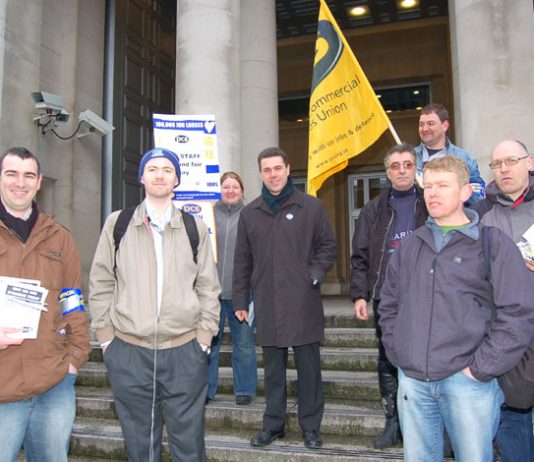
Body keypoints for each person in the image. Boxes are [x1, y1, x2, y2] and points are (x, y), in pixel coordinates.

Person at [379, 156, 534, 461]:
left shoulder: (492, 244)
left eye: (443, 185)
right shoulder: (409, 246)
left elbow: (517, 312)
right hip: (413, 382)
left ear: (465, 192)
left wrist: (480, 369)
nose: (433, 193)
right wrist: (398, 353)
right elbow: (389, 304)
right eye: (429, 186)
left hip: (468, 382)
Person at [89, 148, 220, 462]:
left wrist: (204, 339)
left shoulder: (194, 227)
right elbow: (101, 282)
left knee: (189, 446)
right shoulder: (117, 224)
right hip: (130, 351)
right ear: (142, 177)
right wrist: (107, 338)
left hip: (184, 351)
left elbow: (208, 287)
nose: (159, 174)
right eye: (152, 169)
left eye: (167, 169)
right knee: (140, 446)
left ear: (176, 179)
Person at [233, 147, 336, 450]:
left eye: (278, 168)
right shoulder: (250, 213)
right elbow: (242, 262)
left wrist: (313, 275)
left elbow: (327, 246)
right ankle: (273, 425)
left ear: (288, 169)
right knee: (273, 371)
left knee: (309, 371)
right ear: (261, 174)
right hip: (267, 303)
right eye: (267, 170)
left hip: (303, 301)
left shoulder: (311, 207)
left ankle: (311, 427)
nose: (273, 175)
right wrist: (240, 301)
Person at [0, 147, 91, 462]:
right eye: (12, 174)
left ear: (39, 182)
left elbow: (72, 299)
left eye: (28, 175)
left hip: (54, 381)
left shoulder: (59, 238)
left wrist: (75, 358)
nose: (20, 183)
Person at [350, 143, 427, 449]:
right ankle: (393, 423)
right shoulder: (373, 210)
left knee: (423, 359)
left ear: (415, 168)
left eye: (407, 164)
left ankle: (422, 425)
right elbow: (360, 255)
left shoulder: (429, 202)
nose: (402, 171)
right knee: (388, 360)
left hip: (424, 295)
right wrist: (360, 294)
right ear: (387, 173)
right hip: (387, 297)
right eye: (395, 166)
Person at [474, 139, 534, 462]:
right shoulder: (481, 214)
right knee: (514, 412)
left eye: (511, 161)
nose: (504, 169)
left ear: (530, 162)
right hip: (506, 328)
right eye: (497, 164)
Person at [207, 171, 257, 405]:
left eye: (234, 187)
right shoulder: (207, 215)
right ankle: (206, 390)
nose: (230, 190)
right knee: (209, 344)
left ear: (242, 191)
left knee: (244, 344)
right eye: (226, 186)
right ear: (220, 189)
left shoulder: (251, 215)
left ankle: (245, 390)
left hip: (242, 293)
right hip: (211, 293)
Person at [415, 103, 485, 204]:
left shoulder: (466, 159)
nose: (425, 129)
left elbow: (478, 199)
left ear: (445, 126)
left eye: (430, 123)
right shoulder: (409, 158)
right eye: (421, 124)